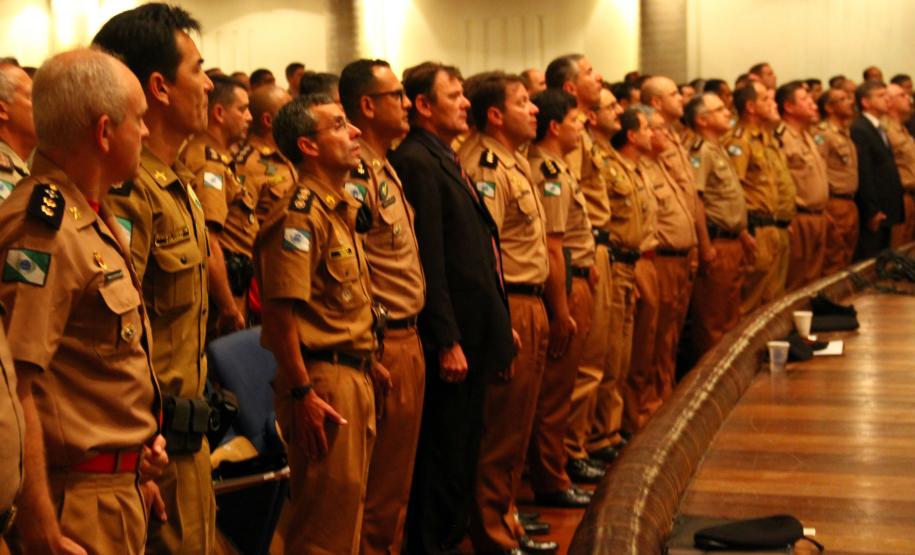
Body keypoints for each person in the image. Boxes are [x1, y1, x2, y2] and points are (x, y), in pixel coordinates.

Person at [1, 47, 167, 555]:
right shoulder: (44, 229)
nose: (145, 132)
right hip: (70, 507)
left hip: (112, 491)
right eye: (138, 120)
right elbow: (17, 386)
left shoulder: (88, 216)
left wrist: (131, 457)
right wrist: (42, 530)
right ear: (103, 131)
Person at [92, 5, 216, 552]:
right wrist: (135, 463)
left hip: (186, 439)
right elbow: (108, 342)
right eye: (199, 68)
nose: (210, 83)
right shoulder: (130, 191)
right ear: (160, 87)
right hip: (149, 450)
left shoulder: (176, 183)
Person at [391, 62, 513, 555]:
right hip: (452, 339)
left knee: (463, 453)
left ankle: (451, 539)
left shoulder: (444, 155)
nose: (466, 103)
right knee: (443, 460)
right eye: (455, 95)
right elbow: (432, 261)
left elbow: (478, 252)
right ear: (424, 105)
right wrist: (447, 340)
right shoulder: (417, 161)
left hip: (474, 329)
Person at [256, 93, 384, 554]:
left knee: (345, 516)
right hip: (320, 383)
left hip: (350, 372)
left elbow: (336, 304)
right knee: (321, 534)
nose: (355, 134)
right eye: (339, 125)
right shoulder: (299, 213)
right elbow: (280, 312)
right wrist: (302, 392)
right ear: (308, 146)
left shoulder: (336, 208)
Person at [459, 72, 554, 555]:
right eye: (522, 102)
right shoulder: (485, 165)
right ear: (495, 114)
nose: (534, 108)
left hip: (526, 298)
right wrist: (499, 322)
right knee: (499, 428)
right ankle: (491, 533)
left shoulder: (512, 161)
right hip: (508, 301)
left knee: (516, 426)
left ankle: (506, 515)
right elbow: (486, 249)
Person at [338, 58, 427, 555]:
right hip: (381, 343)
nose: (407, 103)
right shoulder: (356, 173)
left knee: (397, 486)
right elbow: (351, 266)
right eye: (397, 95)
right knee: (376, 492)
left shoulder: (384, 165)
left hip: (406, 338)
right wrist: (368, 346)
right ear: (368, 106)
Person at [545, 56, 617, 481]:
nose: (600, 76)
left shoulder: (582, 133)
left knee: (600, 362)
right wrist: (580, 263)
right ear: (571, 88)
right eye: (590, 73)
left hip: (589, 254)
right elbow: (565, 212)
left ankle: (584, 442)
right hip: (575, 261)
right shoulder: (561, 144)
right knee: (579, 368)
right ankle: (569, 452)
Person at [526, 88, 595, 509]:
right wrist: (562, 309)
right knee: (552, 394)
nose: (582, 126)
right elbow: (553, 247)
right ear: (555, 127)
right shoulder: (548, 171)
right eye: (575, 120)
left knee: (565, 387)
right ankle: (550, 478)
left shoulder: (559, 167)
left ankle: (557, 467)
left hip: (576, 279)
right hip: (562, 285)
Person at [178, 74, 255, 334]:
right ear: (219, 113)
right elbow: (208, 242)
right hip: (222, 297)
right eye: (242, 109)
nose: (249, 118)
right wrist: (229, 306)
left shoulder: (218, 157)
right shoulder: (209, 163)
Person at [684, 93, 755, 357]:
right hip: (716, 243)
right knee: (713, 322)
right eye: (719, 110)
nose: (728, 112)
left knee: (731, 315)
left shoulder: (719, 148)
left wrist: (743, 232)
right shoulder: (700, 151)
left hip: (732, 240)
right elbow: (697, 200)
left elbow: (727, 198)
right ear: (702, 120)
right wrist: (704, 245)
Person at [637, 108, 696, 406]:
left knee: (669, 338)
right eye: (655, 127)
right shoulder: (641, 168)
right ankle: (648, 406)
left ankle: (665, 397)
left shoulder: (660, 165)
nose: (665, 134)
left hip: (680, 259)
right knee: (652, 340)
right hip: (660, 260)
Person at [724, 82, 783, 313]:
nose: (772, 103)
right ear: (750, 106)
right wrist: (741, 230)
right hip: (753, 228)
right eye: (765, 99)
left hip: (771, 225)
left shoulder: (763, 137)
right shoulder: (739, 140)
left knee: (770, 301)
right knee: (747, 304)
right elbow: (734, 188)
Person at [775, 81, 828, 290]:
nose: (813, 104)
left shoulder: (808, 135)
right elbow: (778, 181)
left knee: (813, 281)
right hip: (798, 218)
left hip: (818, 216)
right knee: (795, 281)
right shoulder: (781, 136)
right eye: (805, 100)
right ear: (788, 106)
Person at [851, 80, 904, 259]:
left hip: (887, 205)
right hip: (876, 209)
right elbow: (865, 173)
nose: (887, 100)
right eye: (881, 96)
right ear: (865, 102)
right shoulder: (860, 128)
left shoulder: (877, 127)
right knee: (871, 259)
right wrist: (872, 210)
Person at [235, 85, 296, 224]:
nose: (297, 116)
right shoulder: (247, 165)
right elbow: (243, 226)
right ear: (268, 120)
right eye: (289, 110)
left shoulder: (285, 152)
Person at [814, 88, 859, 273]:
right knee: (833, 260)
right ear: (829, 107)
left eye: (848, 98)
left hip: (850, 202)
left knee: (847, 258)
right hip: (834, 202)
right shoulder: (823, 134)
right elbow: (820, 169)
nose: (849, 102)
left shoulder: (845, 133)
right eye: (842, 99)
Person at [884, 83, 915, 247]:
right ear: (889, 102)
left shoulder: (902, 128)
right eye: (902, 96)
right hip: (898, 197)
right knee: (897, 249)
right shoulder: (885, 129)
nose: (908, 99)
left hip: (911, 196)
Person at [0, 62, 36, 193]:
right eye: (32, 97)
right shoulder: (4, 176)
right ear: (2, 110)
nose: (43, 105)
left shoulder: (18, 168)